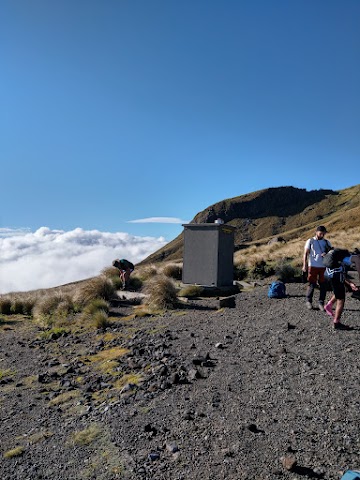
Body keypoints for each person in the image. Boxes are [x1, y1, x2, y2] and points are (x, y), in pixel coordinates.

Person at [324, 253, 359, 330]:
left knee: (340, 292)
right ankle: (336, 323)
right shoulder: (345, 259)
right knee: (341, 299)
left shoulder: (335, 256)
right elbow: (340, 273)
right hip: (335, 277)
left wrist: (350, 283)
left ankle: (329, 304)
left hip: (330, 276)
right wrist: (350, 283)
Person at [302, 225, 332, 311]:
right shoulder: (310, 241)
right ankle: (308, 301)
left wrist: (327, 254)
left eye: (323, 233)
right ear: (316, 232)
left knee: (323, 285)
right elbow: (306, 253)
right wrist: (304, 265)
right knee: (312, 284)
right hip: (313, 265)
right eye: (320, 233)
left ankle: (321, 303)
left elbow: (331, 253)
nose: (322, 235)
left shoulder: (327, 242)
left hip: (324, 266)